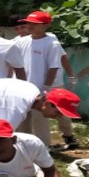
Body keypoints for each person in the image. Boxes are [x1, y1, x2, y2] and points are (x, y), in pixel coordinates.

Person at [13, 10, 70, 146]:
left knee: (40, 120)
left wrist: (46, 88)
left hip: (40, 89)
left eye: (35, 24)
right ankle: (24, 146)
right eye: (29, 23)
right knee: (22, 119)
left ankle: (44, 147)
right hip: (22, 87)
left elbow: (53, 67)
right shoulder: (21, 41)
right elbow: (13, 62)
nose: (30, 26)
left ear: (46, 25)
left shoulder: (51, 43)